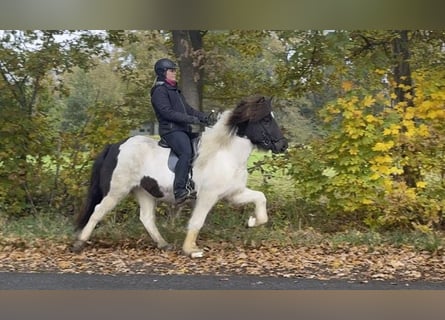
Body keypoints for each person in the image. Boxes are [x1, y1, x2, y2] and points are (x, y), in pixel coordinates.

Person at [150, 58, 209, 205]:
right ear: (163, 73)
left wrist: (204, 117)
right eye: (172, 70)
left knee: (203, 145)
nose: (175, 73)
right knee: (186, 152)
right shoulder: (159, 91)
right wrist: (191, 119)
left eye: (175, 70)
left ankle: (194, 182)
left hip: (182, 129)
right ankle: (180, 190)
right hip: (171, 131)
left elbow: (188, 109)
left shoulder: (175, 90)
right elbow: (167, 113)